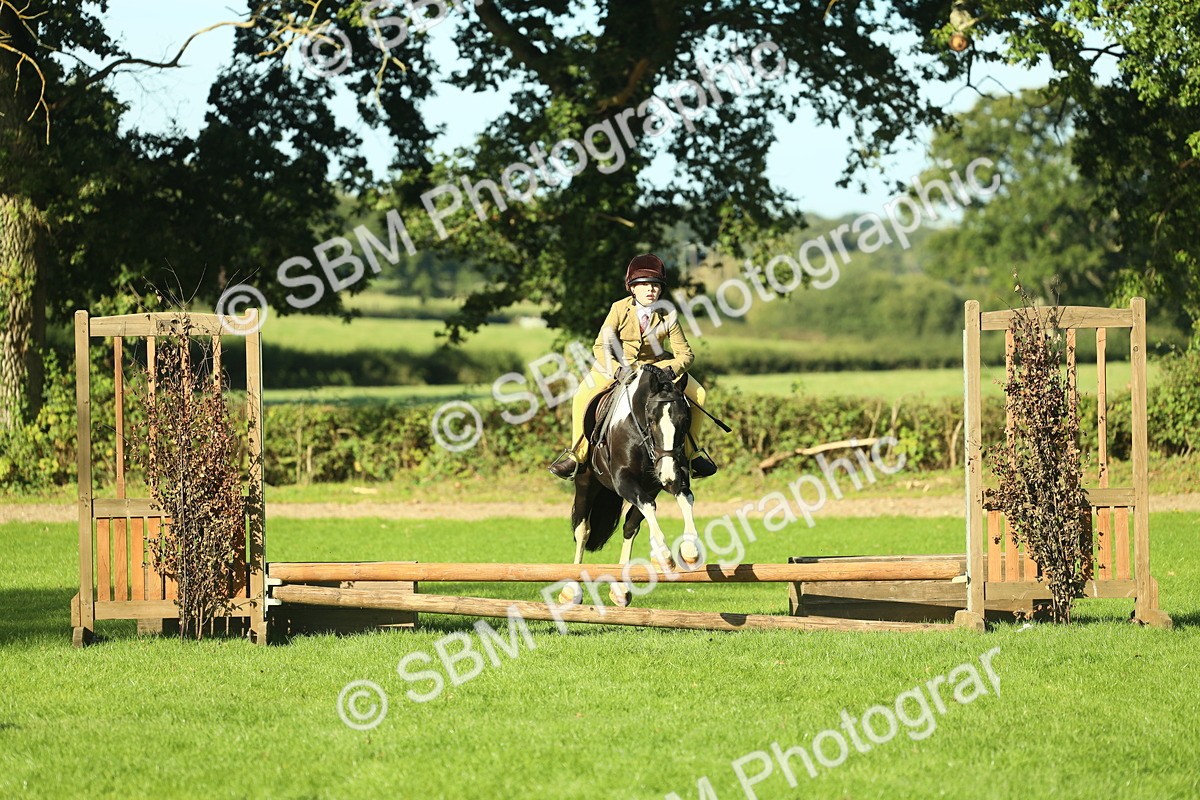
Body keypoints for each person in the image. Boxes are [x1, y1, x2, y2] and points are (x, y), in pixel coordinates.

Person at [549, 253, 718, 479]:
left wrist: (670, 371)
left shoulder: (668, 314)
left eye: (655, 285)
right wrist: (616, 370)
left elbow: (685, 355)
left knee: (700, 394)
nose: (651, 289)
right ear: (632, 288)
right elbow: (601, 346)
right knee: (581, 394)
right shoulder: (619, 309)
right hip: (621, 366)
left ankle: (692, 455)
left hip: (658, 368)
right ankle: (576, 456)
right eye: (644, 285)